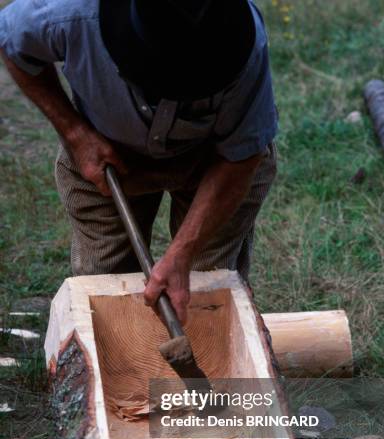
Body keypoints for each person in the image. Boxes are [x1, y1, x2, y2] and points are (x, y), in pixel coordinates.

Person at [0, 0, 277, 324]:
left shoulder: (244, 45)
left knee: (208, 293)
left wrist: (183, 253)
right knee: (107, 295)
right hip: (107, 155)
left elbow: (241, 159)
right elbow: (10, 39)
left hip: (213, 161)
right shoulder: (73, 12)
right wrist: (75, 134)